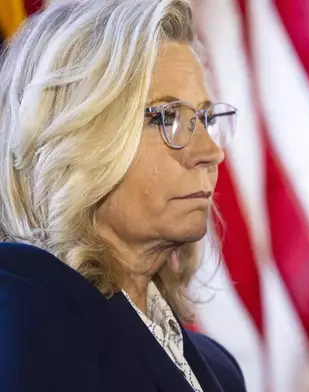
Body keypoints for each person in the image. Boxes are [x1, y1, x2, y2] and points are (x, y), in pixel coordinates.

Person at [0, 0, 245, 391]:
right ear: (74, 134)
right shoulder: (22, 309)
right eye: (166, 117)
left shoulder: (221, 370)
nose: (211, 153)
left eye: (204, 119)